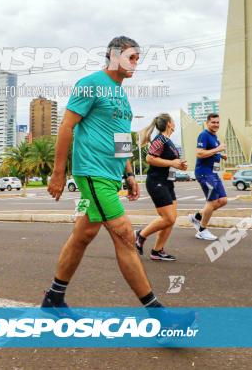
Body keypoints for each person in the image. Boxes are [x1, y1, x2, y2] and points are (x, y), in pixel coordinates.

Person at [44, 36, 163, 308]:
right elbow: (66, 127)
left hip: (110, 177)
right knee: (124, 236)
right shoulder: (90, 85)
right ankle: (159, 315)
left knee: (83, 234)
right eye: (131, 57)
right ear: (114, 55)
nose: (135, 64)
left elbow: (121, 139)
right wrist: (58, 173)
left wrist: (130, 174)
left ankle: (54, 297)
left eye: (137, 59)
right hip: (92, 172)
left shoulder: (121, 96)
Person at [134, 114, 188, 261]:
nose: (175, 123)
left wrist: (179, 165)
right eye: (174, 121)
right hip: (156, 182)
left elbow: (169, 161)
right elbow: (149, 158)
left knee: (172, 219)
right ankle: (140, 235)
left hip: (168, 182)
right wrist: (172, 163)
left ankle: (157, 251)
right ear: (169, 124)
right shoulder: (160, 139)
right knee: (168, 217)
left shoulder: (168, 141)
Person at [190, 113, 228, 240]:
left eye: (217, 122)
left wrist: (220, 155)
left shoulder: (214, 137)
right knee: (211, 202)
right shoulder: (204, 135)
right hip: (204, 172)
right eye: (213, 122)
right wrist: (217, 149)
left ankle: (197, 217)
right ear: (207, 123)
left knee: (223, 200)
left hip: (213, 173)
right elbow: (199, 153)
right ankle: (202, 230)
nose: (216, 124)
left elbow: (211, 152)